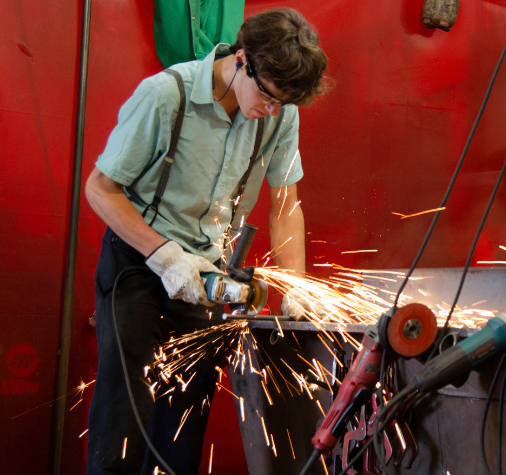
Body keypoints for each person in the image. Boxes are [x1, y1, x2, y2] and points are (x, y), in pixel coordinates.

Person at [84, 8, 327, 474]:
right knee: (125, 408)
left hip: (206, 273)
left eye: (283, 103)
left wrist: (295, 286)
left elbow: (284, 206)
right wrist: (164, 254)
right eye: (268, 97)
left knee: (183, 423)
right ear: (241, 59)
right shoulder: (164, 95)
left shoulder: (280, 113)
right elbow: (100, 188)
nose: (271, 111)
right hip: (138, 261)